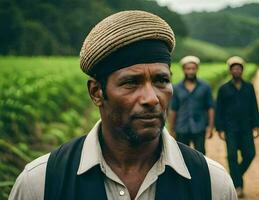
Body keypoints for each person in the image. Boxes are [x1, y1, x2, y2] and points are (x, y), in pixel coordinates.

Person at [9, 11, 237, 200]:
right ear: (97, 92)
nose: (151, 98)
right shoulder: (40, 185)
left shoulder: (213, 185)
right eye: (131, 82)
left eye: (161, 80)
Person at [215, 56, 259, 198]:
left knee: (250, 154)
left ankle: (233, 176)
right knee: (232, 156)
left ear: (242, 70)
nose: (236, 70)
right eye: (233, 68)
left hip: (246, 127)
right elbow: (219, 109)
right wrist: (220, 128)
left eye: (239, 68)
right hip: (230, 128)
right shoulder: (223, 89)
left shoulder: (249, 87)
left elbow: (254, 106)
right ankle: (237, 185)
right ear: (230, 71)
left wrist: (256, 125)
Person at [168, 56, 214, 155]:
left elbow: (210, 107)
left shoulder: (205, 87)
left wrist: (210, 127)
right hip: (181, 127)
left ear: (197, 69)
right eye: (188, 69)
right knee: (182, 156)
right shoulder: (176, 88)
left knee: (201, 155)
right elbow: (173, 109)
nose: (191, 71)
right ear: (184, 70)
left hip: (199, 126)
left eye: (193, 68)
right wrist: (171, 129)